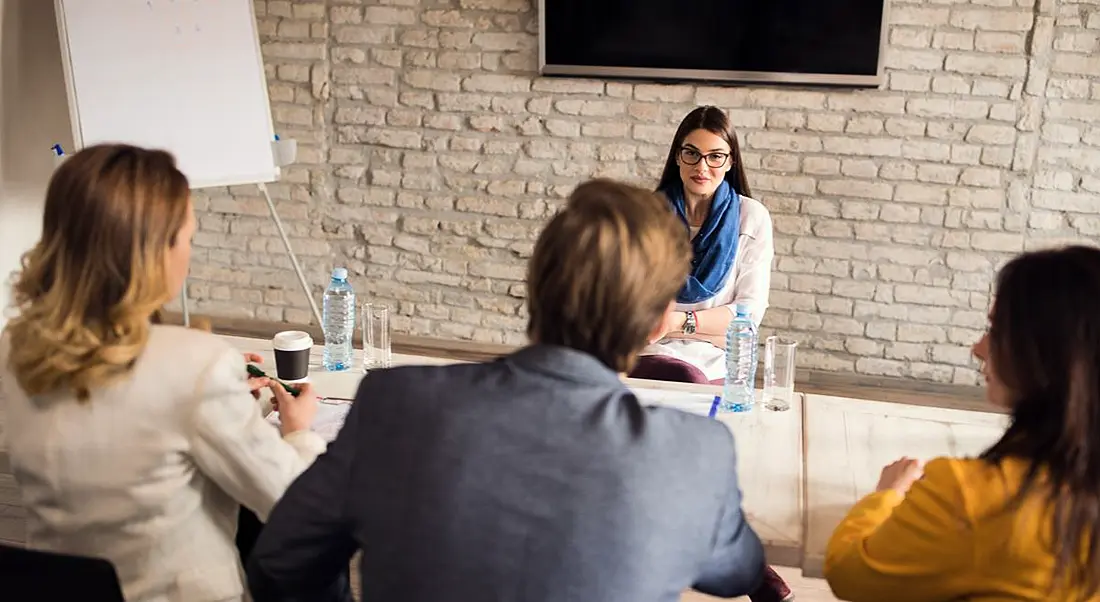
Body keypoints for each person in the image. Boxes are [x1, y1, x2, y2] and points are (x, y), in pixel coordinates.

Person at [246, 179, 770, 601]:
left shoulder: (394, 403)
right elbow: (737, 572)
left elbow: (283, 563)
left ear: (534, 286)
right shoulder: (696, 453)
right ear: (660, 322)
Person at [0, 144, 325, 602]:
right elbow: (295, 509)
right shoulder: (197, 364)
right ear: (151, 253)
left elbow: (124, 419)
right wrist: (299, 431)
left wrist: (225, 401)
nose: (188, 255)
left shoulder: (13, 350)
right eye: (187, 239)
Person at [824, 245, 1100, 601]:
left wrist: (886, 495)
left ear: (1047, 354)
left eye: (995, 330)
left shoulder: (971, 498)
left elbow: (848, 571)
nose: (978, 348)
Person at [635, 105, 775, 383]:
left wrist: (676, 322)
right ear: (678, 156)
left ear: (730, 162)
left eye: (715, 157)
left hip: (717, 359)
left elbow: (748, 315)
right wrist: (713, 328)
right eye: (692, 154)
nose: (702, 167)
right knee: (679, 375)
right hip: (648, 351)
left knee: (690, 378)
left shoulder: (752, 217)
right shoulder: (646, 214)